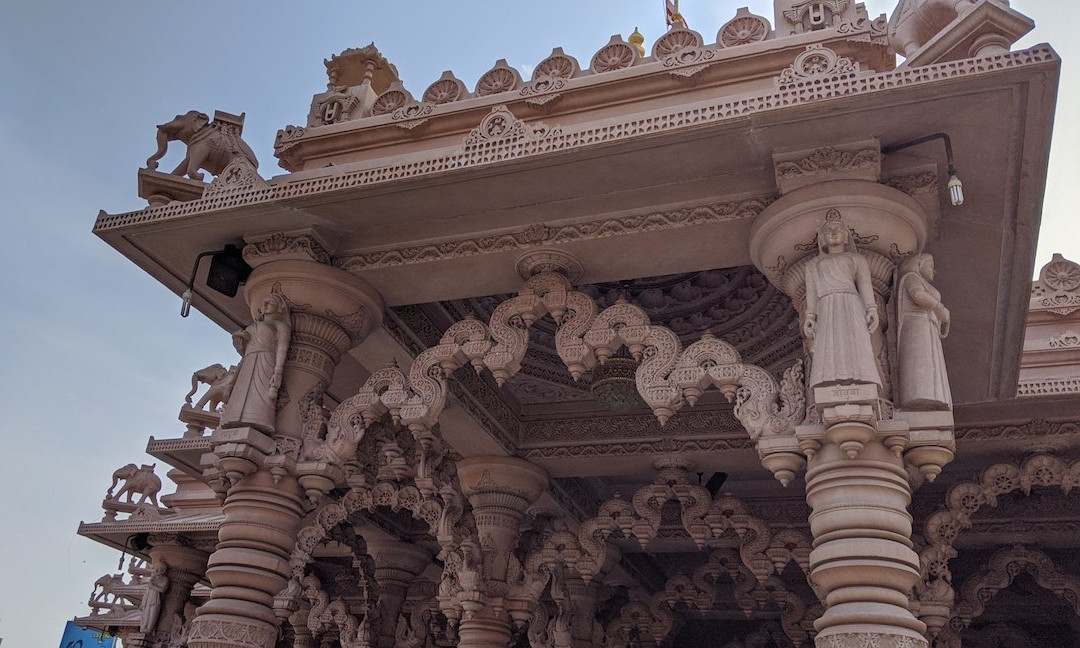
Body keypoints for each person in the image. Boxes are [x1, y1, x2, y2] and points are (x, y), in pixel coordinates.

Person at [802, 217, 881, 389]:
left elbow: (865, 286)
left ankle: (862, 376)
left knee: (856, 339)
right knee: (828, 341)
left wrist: (871, 308)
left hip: (851, 302)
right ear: (822, 238)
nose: (833, 232)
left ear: (846, 236)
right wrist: (810, 316)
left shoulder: (857, 259)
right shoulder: (813, 264)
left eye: (838, 228)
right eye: (828, 230)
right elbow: (812, 292)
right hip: (826, 304)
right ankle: (828, 379)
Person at [220, 293, 292, 432]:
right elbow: (245, 351)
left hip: (265, 361)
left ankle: (258, 420)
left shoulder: (280, 326)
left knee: (260, 395)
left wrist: (278, 371)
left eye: (269, 303)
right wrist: (239, 345)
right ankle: (234, 419)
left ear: (279, 307)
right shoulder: (252, 327)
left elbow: (282, 349)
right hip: (248, 362)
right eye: (264, 302)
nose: (264, 306)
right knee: (241, 393)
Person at [896, 253, 952, 409]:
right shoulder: (911, 277)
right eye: (931, 266)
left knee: (928, 363)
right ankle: (920, 396)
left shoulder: (916, 278)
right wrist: (939, 308)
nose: (934, 272)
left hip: (927, 326)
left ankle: (931, 396)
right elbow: (917, 294)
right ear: (919, 263)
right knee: (919, 361)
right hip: (917, 325)